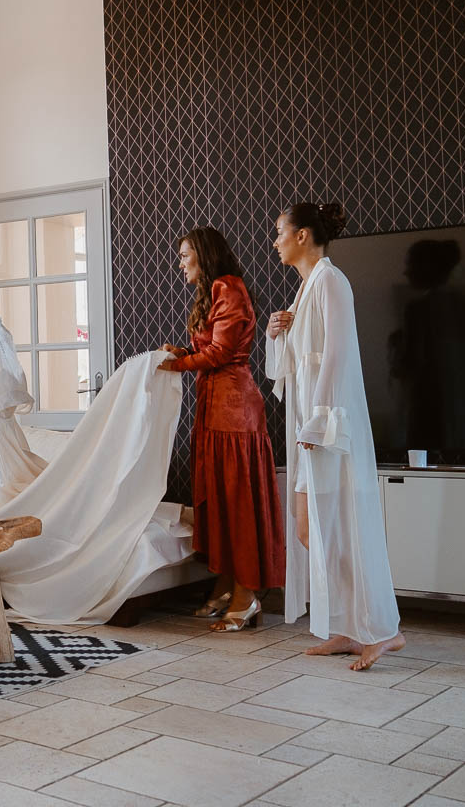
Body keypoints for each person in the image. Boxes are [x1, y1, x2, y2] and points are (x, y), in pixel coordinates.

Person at [266, 202, 404, 670]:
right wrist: (276, 334)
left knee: (344, 527)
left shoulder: (331, 281)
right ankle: (346, 627)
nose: (275, 241)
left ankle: (383, 631)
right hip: (311, 428)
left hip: (327, 428)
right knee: (312, 530)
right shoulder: (306, 288)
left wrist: (319, 422)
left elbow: (339, 355)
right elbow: (294, 369)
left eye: (280, 232)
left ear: (303, 235)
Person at [156, 227, 284, 631]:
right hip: (214, 409)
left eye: (184, 256)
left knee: (238, 503)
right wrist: (183, 353)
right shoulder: (214, 291)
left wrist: (177, 364)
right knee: (223, 502)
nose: (180, 264)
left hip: (234, 411)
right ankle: (228, 584)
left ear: (204, 256)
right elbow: (208, 349)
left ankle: (247, 593)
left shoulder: (229, 287)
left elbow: (223, 352)